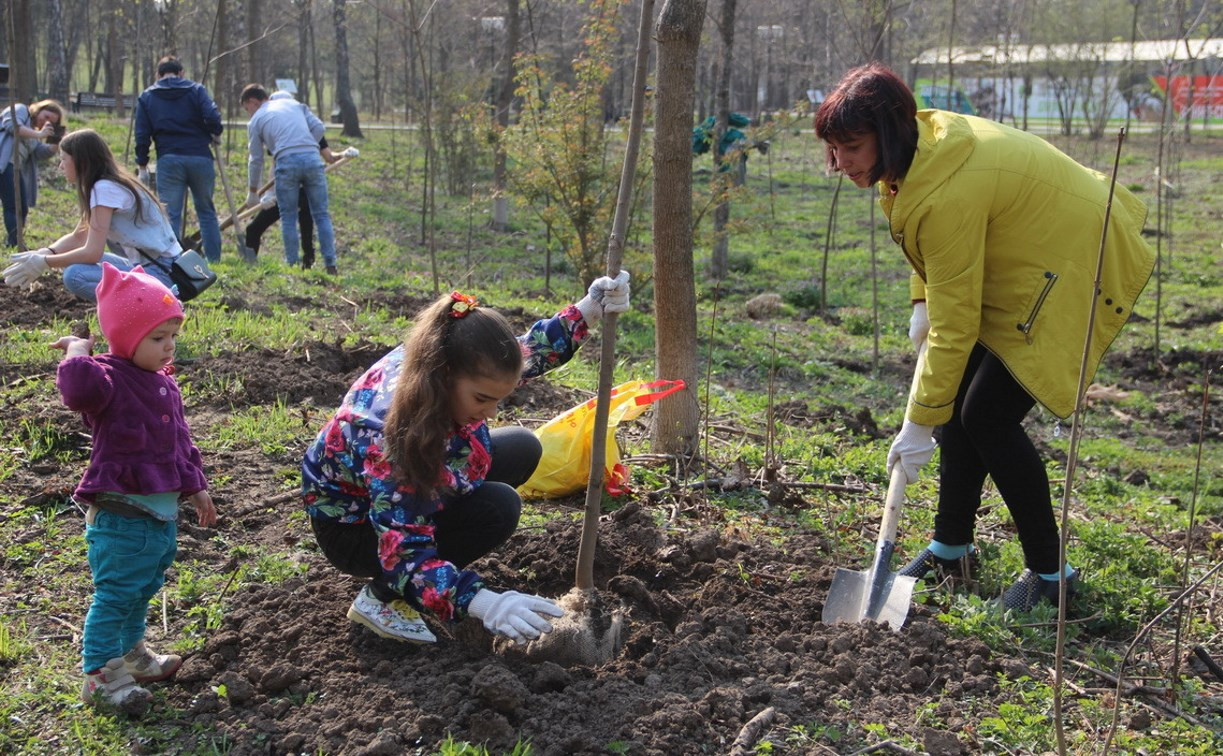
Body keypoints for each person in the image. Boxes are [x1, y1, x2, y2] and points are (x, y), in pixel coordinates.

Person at [814, 63, 1155, 611]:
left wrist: (918, 422)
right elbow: (926, 236)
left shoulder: (948, 186)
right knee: (958, 404)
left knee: (986, 415)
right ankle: (951, 550)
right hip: (1022, 253)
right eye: (833, 148)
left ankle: (1051, 575)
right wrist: (922, 298)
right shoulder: (916, 154)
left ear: (890, 134)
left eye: (851, 147)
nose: (839, 163)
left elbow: (955, 316)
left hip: (1074, 260)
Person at [303, 273, 631, 645]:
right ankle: (382, 599)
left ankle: (435, 536)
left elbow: (525, 353)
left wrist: (588, 310)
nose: (491, 413)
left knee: (524, 446)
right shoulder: (393, 438)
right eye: (482, 400)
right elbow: (403, 552)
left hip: (404, 484)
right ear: (445, 378)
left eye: (498, 400)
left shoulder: (443, 357)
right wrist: (480, 602)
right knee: (498, 508)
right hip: (358, 529)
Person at [53, 262, 216, 713]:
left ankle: (133, 656)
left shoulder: (164, 384)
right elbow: (76, 390)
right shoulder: (107, 378)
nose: (169, 348)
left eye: (172, 337)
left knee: (142, 588)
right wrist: (78, 351)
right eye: (157, 338)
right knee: (116, 593)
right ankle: (100, 675)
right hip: (121, 516)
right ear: (125, 338)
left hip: (159, 516)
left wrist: (196, 486)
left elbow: (180, 441)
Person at [2, 129, 188, 302]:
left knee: (75, 275)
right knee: (73, 261)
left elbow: (92, 252)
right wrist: (46, 252)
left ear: (81, 162)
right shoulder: (109, 183)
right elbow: (78, 236)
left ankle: (139, 308)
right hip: (164, 265)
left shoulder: (104, 189)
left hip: (161, 272)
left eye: (63, 159)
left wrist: (44, 263)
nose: (60, 167)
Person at [240, 84, 338, 274]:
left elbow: (256, 160)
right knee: (322, 215)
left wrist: (253, 191)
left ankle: (292, 266)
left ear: (253, 102)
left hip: (286, 162)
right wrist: (306, 144)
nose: (249, 113)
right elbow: (319, 127)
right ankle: (330, 264)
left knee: (288, 217)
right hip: (312, 158)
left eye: (247, 109)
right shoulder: (294, 105)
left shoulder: (257, 119)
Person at [135, 56, 224, 263]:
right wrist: (215, 132)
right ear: (181, 72)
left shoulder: (147, 97)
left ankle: (173, 262)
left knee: (171, 214)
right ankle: (214, 260)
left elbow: (142, 134)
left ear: (158, 75)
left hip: (169, 158)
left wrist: (142, 163)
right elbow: (212, 117)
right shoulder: (196, 90)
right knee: (206, 211)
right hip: (200, 156)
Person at [0, 99, 65, 246]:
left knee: (22, 206)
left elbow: (40, 153)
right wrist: (40, 134)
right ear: (39, 109)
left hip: (14, 168)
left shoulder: (34, 134)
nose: (45, 122)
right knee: (13, 206)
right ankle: (15, 242)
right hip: (4, 163)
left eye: (51, 122)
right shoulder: (21, 110)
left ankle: (15, 240)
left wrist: (56, 143)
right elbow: (12, 126)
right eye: (46, 116)